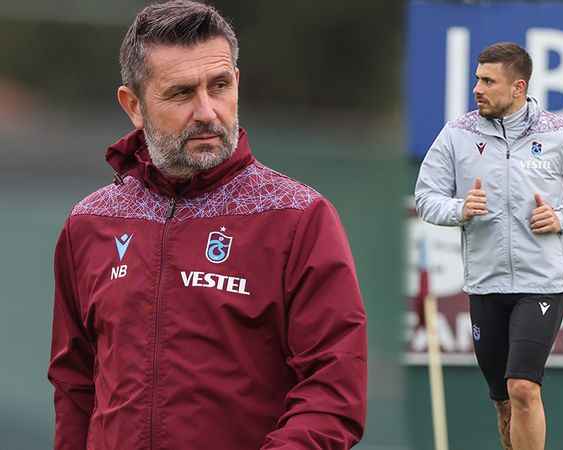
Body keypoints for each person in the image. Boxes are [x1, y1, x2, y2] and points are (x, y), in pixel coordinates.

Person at [47, 2, 367, 449]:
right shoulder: (89, 223)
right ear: (134, 105)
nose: (207, 111)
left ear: (237, 82)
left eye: (219, 86)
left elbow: (333, 391)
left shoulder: (299, 217)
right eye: (181, 93)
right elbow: (74, 387)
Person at [415, 42, 563, 450]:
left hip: (542, 282)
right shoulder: (456, 133)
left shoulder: (562, 134)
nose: (477, 89)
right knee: (504, 400)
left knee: (523, 387)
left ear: (518, 87)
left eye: (488, 81)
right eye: (477, 79)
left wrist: (562, 217)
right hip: (485, 282)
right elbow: (425, 197)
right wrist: (460, 209)